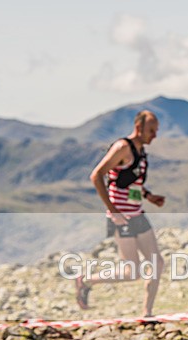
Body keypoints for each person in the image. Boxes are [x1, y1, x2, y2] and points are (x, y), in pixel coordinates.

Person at [74, 110, 165, 316]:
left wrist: (149, 196)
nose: (155, 136)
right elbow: (97, 175)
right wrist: (113, 210)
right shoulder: (122, 147)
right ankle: (86, 280)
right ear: (139, 128)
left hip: (137, 214)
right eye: (151, 130)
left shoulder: (141, 152)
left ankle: (147, 313)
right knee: (131, 271)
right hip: (121, 217)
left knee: (157, 263)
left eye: (156, 131)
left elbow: (130, 182)